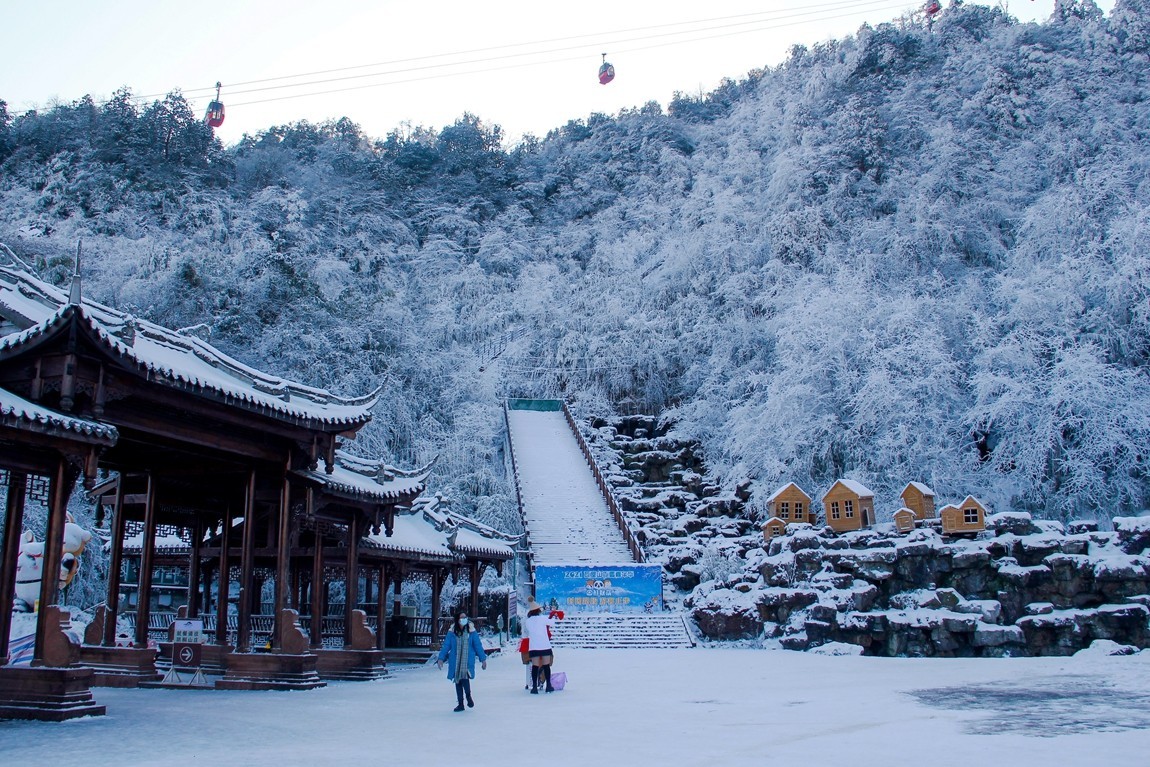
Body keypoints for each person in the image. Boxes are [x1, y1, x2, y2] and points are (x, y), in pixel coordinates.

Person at [436, 609, 487, 712]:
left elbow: (477, 645)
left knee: (465, 678)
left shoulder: (471, 631)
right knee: (457, 680)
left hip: (467, 659)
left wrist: (483, 659)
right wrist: (441, 658)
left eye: (465, 617)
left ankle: (468, 696)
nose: (464, 619)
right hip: (456, 659)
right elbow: (446, 645)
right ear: (457, 620)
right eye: (462, 618)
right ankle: (460, 704)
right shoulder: (452, 632)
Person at [523, 599, 560, 694]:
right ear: (538, 610)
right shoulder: (542, 618)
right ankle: (548, 685)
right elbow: (552, 623)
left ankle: (534, 687)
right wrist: (554, 615)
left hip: (534, 646)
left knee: (535, 666)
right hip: (544, 645)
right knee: (546, 666)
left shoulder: (528, 621)